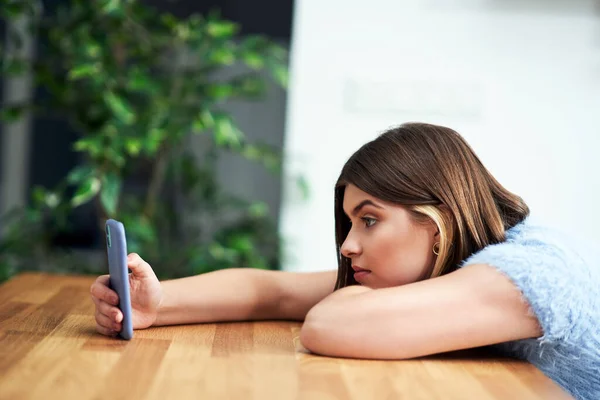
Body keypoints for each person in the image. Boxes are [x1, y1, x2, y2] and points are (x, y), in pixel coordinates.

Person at [90, 122, 599, 400]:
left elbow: (330, 322)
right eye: (350, 224)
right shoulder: (453, 272)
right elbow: (273, 292)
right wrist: (159, 302)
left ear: (437, 218)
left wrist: (343, 301)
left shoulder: (533, 273)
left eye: (370, 220)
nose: (348, 246)